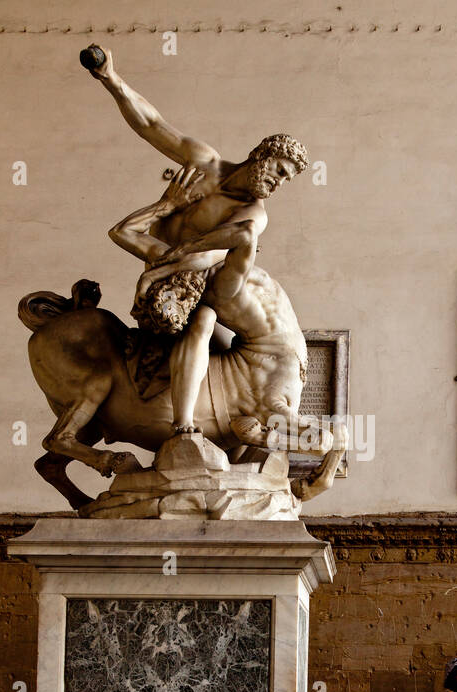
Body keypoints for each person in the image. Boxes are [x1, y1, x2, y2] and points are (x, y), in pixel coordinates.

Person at [86, 46, 307, 436]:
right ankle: (179, 423)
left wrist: (166, 266)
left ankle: (186, 427)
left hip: (204, 283)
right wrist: (112, 80)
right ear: (261, 154)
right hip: (170, 276)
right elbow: (152, 124)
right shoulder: (204, 164)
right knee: (194, 322)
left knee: (205, 320)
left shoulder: (254, 213)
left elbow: (217, 253)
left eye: (287, 180)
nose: (279, 182)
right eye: (279, 170)